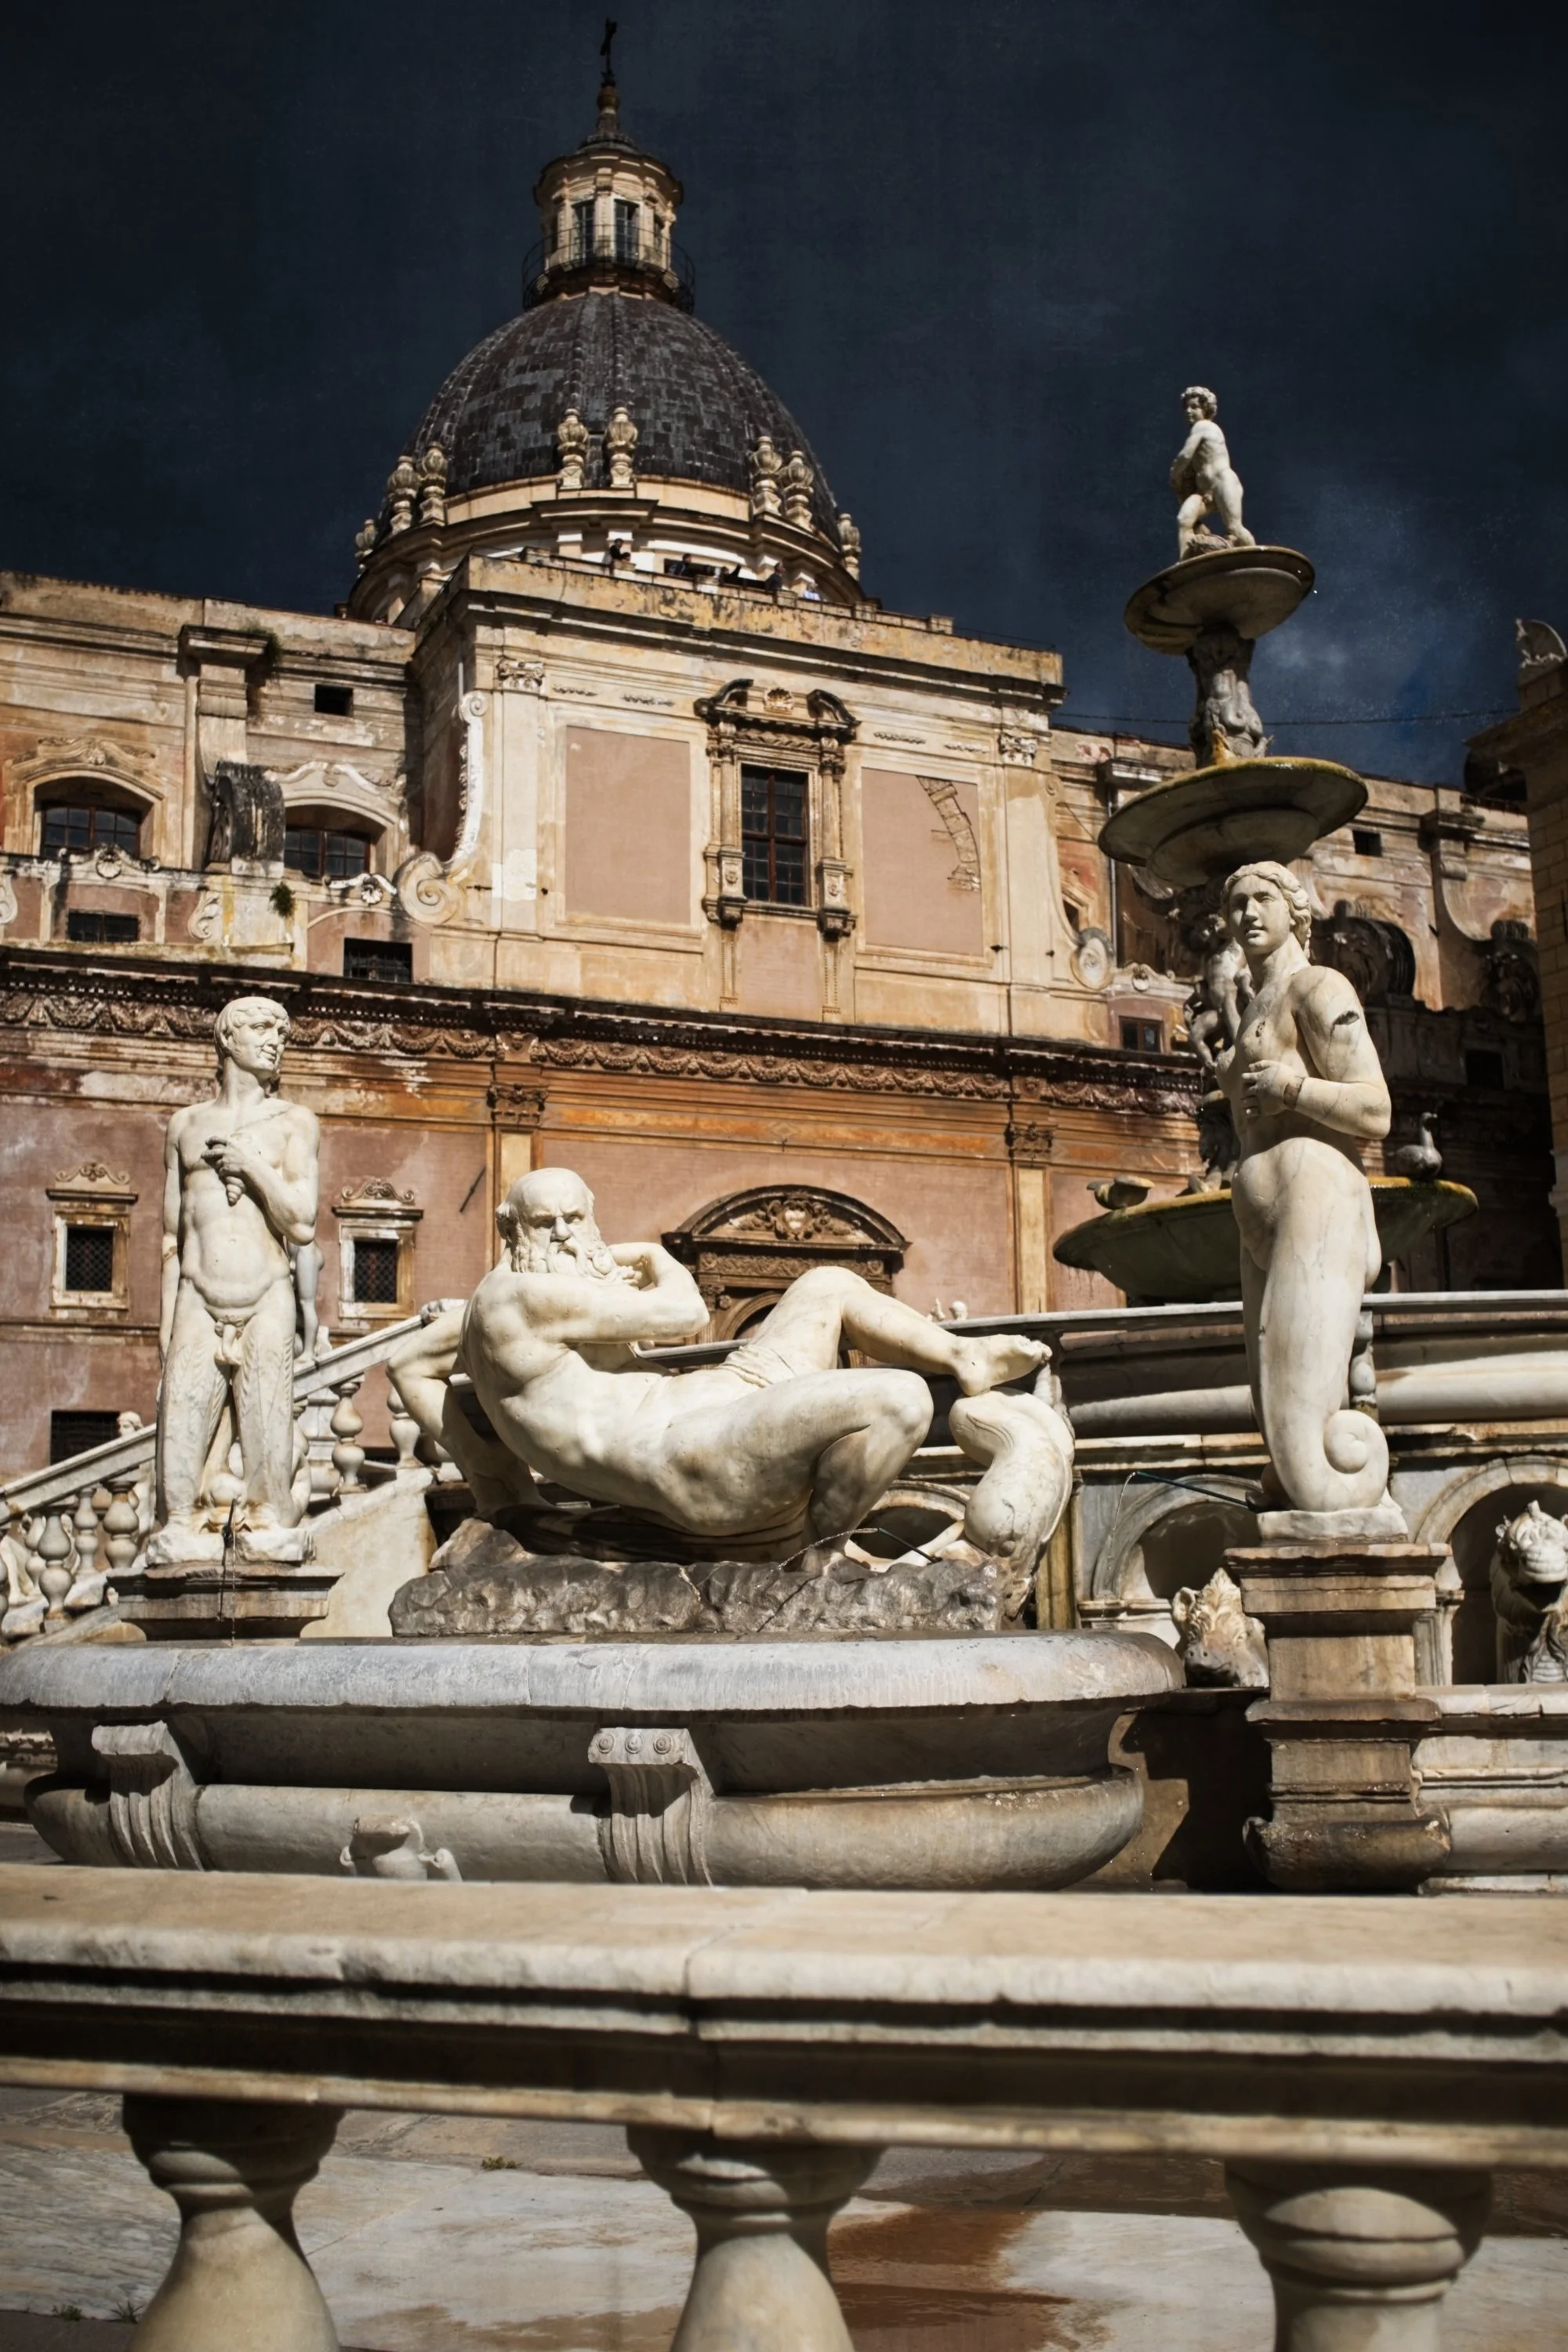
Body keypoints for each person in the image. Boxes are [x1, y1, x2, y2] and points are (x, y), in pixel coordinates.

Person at [455, 1167, 1047, 1564]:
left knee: (828, 1283)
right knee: (901, 1399)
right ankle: (810, 1554)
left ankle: (961, 1353)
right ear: (511, 1228)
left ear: (591, 1216)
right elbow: (684, 1311)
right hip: (686, 1455)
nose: (562, 1235)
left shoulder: (545, 1288)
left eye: (574, 1219)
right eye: (544, 1223)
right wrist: (654, 1256)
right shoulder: (515, 1298)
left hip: (717, 1401)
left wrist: (494, 1480)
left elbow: (411, 1366)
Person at [1218, 862, 1395, 1519]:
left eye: (1264, 898)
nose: (1248, 914)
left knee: (1304, 1433)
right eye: (1236, 905)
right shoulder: (1253, 1007)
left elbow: (1377, 1111)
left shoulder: (1320, 987)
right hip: (1268, 1218)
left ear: (1295, 910)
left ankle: (1347, 1507)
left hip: (1318, 1201)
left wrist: (1294, 1090)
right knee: (1277, 1412)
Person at [146, 996, 318, 1566]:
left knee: (268, 1437)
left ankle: (269, 1529)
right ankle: (183, 1532)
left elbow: (301, 1219)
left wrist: (252, 1167)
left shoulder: (295, 1123)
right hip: (197, 1294)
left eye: (281, 1032)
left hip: (266, 1294)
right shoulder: (185, 1126)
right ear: (227, 1039)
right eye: (263, 1029)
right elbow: (172, 1237)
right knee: (181, 1445)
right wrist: (166, 1329)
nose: (275, 1041)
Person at [1171, 386, 1256, 560]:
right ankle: (1185, 563)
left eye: (1194, 407)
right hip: (1204, 492)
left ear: (1205, 409)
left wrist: (1174, 473)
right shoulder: (1198, 430)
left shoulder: (1203, 426)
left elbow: (1185, 455)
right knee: (1184, 520)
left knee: (1235, 528)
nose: (1188, 411)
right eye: (1186, 407)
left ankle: (1256, 559)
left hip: (1223, 482)